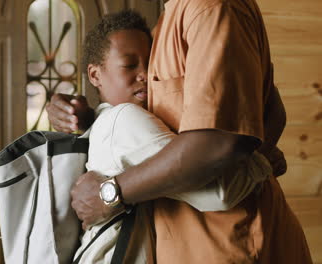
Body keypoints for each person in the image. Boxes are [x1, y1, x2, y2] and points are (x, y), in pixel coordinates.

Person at [47, 0, 313, 263]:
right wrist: (87, 119)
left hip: (235, 247)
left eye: (144, 66)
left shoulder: (212, 8)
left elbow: (219, 156)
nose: (143, 74)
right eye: (130, 65)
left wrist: (110, 193)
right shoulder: (166, 24)